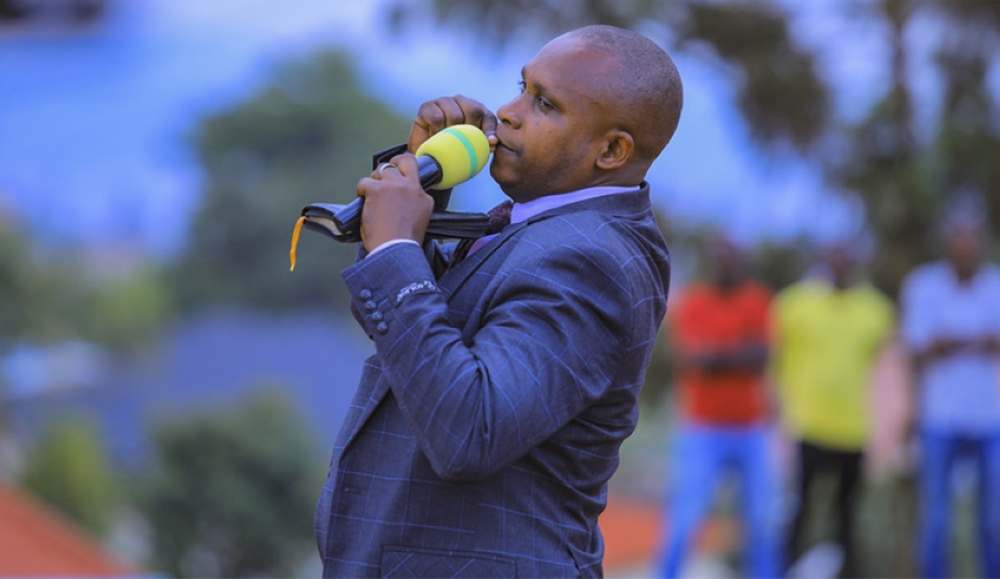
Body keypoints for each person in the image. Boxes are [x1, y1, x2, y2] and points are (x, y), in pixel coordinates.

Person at [312, 25, 682, 577]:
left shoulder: (590, 259)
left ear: (611, 150)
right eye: (522, 87)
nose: (507, 113)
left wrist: (393, 248)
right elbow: (421, 342)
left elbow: (468, 428)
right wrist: (427, 189)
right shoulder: (549, 228)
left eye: (544, 104)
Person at [656, 237, 781, 578]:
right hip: (702, 428)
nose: (726, 262)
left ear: (742, 260)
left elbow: (761, 357)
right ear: (712, 261)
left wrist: (718, 357)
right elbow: (693, 357)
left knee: (762, 523)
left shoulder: (759, 300)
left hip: (750, 428)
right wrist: (739, 353)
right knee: (683, 520)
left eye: (732, 256)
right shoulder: (695, 302)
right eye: (720, 256)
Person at [772, 243, 895, 578]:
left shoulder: (877, 311)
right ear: (823, 259)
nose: (840, 262)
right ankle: (783, 570)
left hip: (853, 429)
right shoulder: (794, 304)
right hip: (807, 426)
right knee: (799, 511)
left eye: (847, 255)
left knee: (847, 516)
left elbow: (886, 371)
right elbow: (776, 359)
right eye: (834, 256)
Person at [900, 211, 1000, 579]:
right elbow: (917, 350)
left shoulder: (996, 285)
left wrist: (950, 341)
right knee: (935, 521)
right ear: (947, 242)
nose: (966, 244)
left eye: (973, 236)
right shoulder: (923, 285)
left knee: (993, 521)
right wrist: (977, 341)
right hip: (937, 420)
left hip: (990, 421)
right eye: (959, 236)